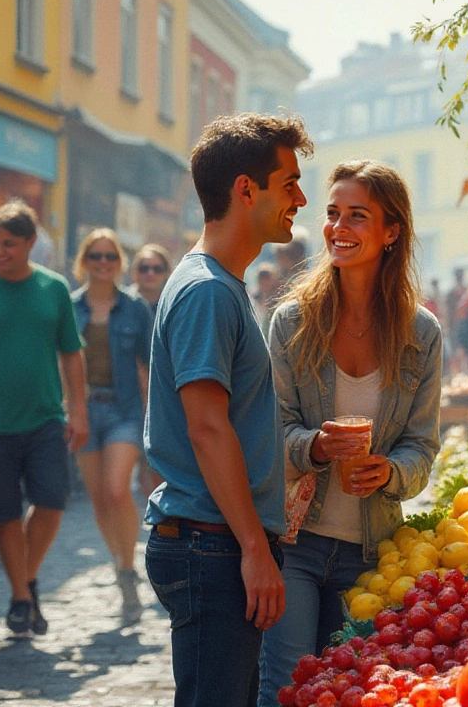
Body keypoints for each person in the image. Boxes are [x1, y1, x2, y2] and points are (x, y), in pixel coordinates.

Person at [260, 160, 442, 704]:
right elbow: (274, 434)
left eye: (357, 215)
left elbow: (422, 446)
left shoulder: (420, 332)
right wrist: (314, 445)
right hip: (296, 540)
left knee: (355, 688)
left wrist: (390, 471)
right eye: (333, 213)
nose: (339, 226)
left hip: (372, 551)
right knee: (289, 684)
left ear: (392, 232)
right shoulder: (293, 321)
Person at [144, 113, 310, 707]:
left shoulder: (219, 284)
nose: (301, 198)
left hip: (214, 540)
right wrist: (252, 547)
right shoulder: (208, 291)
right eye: (289, 182)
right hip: (210, 544)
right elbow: (207, 427)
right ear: (246, 189)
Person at [0, 200, 88, 639]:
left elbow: (71, 352)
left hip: (46, 417)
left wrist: (78, 410)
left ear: (31, 243)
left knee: (51, 501)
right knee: (6, 512)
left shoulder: (53, 289)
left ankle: (25, 579)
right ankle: (20, 596)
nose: (0, 250)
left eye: (10, 243)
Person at [70, 228, 154, 624]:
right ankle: (121, 565)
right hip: (84, 412)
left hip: (123, 411)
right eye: (95, 256)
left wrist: (155, 421)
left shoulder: (135, 308)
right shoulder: (71, 308)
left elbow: (148, 368)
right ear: (83, 261)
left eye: (109, 256)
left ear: (119, 263)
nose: (102, 263)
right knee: (100, 501)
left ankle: (128, 566)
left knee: (116, 489)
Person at [129, 243, 172, 496]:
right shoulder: (122, 305)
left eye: (157, 268)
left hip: (164, 393)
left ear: (166, 272)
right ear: (135, 271)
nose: (150, 274)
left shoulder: (174, 304)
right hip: (126, 394)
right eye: (144, 268)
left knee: (154, 461)